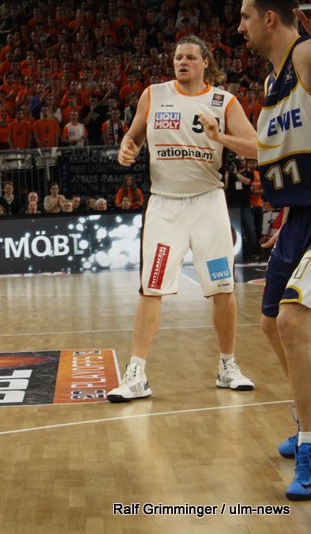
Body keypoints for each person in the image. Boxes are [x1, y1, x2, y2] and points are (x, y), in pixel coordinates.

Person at [108, 35, 258, 404]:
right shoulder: (154, 95)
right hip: (165, 205)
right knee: (151, 287)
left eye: (190, 57)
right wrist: (127, 148)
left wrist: (219, 136)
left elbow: (257, 147)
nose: (182, 62)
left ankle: (228, 365)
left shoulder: (224, 102)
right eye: (178, 57)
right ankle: (137, 373)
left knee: (223, 288)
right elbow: (133, 138)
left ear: (206, 62)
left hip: (208, 203)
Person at [239, 0, 311, 500]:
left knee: (294, 321)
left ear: (269, 18)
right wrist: (223, 138)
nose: (239, 26)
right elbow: (271, 151)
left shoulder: (306, 54)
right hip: (297, 215)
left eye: (246, 15)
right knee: (271, 323)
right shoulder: (272, 83)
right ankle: (308, 417)